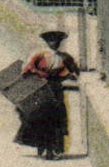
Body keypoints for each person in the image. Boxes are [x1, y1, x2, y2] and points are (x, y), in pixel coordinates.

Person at [15, 30, 80, 159]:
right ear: (47, 42)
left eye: (56, 41)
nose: (53, 43)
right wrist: (40, 74)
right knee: (42, 118)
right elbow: (26, 70)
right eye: (50, 41)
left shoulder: (65, 57)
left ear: (59, 43)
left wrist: (68, 75)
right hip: (41, 90)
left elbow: (75, 72)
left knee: (56, 120)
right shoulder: (39, 55)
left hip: (56, 90)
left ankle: (53, 149)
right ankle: (42, 146)